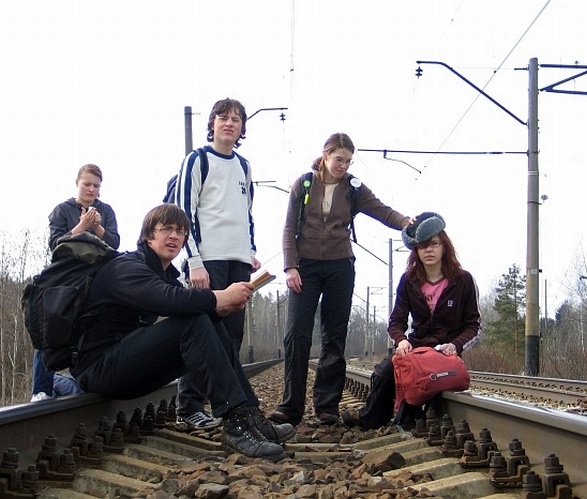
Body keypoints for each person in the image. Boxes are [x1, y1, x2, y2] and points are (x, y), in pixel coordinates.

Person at [69, 203, 295, 459]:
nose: (174, 236)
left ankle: (251, 417)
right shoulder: (126, 268)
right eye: (166, 229)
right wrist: (219, 297)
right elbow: (168, 299)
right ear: (148, 235)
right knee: (193, 320)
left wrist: (221, 309)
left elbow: (188, 305)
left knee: (206, 320)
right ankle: (236, 426)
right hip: (98, 370)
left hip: (120, 364)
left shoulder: (160, 272)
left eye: (180, 231)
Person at [267, 132, 412, 427]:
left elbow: (382, 211)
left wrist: (407, 222)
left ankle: (327, 407)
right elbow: (288, 228)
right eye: (338, 159)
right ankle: (290, 407)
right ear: (325, 155)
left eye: (348, 161)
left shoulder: (353, 189)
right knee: (296, 335)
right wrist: (290, 267)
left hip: (340, 268)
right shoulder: (303, 184)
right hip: (305, 267)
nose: (343, 166)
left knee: (334, 336)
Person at [342, 212, 481, 429]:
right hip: (416, 348)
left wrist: (455, 345)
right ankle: (370, 418)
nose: (428, 250)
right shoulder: (409, 280)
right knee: (384, 371)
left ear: (444, 246)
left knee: (417, 391)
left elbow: (474, 325)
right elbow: (396, 321)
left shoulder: (462, 280)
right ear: (416, 250)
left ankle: (410, 417)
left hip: (445, 353)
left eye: (434, 244)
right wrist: (401, 341)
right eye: (422, 246)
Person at [173, 97, 260, 429]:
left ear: (242, 128)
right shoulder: (197, 160)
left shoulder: (244, 166)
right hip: (208, 261)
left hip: (239, 262)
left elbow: (246, 214)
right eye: (223, 117)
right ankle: (189, 405)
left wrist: (250, 250)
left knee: (231, 336)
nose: (229, 123)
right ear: (212, 124)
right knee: (203, 333)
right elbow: (184, 212)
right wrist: (194, 261)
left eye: (236, 119)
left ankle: (230, 407)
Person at [31, 164, 120, 401]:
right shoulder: (61, 210)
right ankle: (41, 390)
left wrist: (97, 226)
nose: (92, 189)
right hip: (66, 278)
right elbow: (55, 245)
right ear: (77, 183)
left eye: (96, 186)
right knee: (50, 328)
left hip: (96, 278)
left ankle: (86, 384)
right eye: (87, 184)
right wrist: (82, 226)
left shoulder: (106, 211)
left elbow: (114, 244)